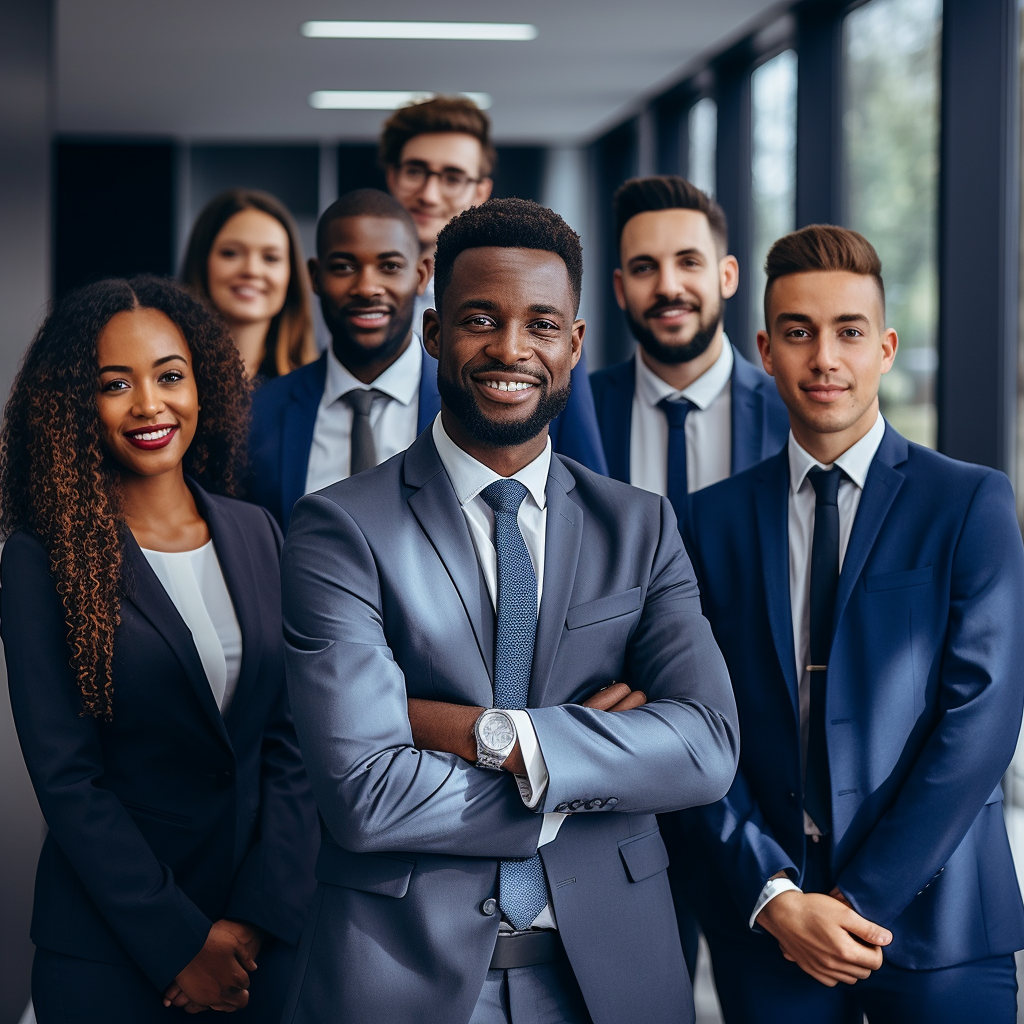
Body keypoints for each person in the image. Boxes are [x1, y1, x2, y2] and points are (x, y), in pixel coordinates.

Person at [278, 198, 740, 1024]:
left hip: (614, 978)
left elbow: (706, 747)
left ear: (575, 342)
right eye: (480, 320)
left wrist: (497, 735)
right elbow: (365, 791)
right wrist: (592, 766)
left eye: (542, 323)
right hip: (401, 980)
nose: (511, 348)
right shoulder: (338, 526)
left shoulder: (642, 525)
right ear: (431, 334)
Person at [673, 225, 1024, 1023]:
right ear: (764, 349)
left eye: (849, 332)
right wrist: (777, 898)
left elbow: (983, 721)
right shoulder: (706, 522)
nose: (824, 357)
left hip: (944, 919)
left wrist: (856, 901)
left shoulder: (969, 503)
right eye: (798, 333)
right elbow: (694, 727)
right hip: (774, 925)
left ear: (886, 348)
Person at [1, 276, 318, 1022]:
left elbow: (290, 741)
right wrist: (181, 944)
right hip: (112, 949)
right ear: (78, 405)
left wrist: (253, 920)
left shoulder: (257, 532)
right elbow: (68, 780)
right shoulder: (40, 557)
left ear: (201, 382)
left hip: (258, 944)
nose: (150, 405)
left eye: (169, 376)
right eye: (116, 385)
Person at [381, 95, 608, 474]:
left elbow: (583, 483)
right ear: (393, 176)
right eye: (415, 171)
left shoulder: (546, 319)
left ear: (480, 191)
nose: (429, 193)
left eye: (452, 177)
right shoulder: (347, 303)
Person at [590, 176, 788, 531]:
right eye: (644, 268)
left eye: (689, 262)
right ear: (621, 289)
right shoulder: (575, 410)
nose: (668, 287)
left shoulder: (790, 414)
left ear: (726, 276)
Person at [181, 188, 317, 380]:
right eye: (231, 253)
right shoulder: (170, 381)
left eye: (270, 258)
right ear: (202, 263)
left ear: (291, 274)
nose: (251, 270)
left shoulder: (314, 388)